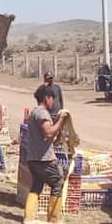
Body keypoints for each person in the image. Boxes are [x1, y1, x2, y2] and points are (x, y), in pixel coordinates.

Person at [22, 85, 70, 216]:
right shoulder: (42, 113)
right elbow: (48, 133)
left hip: (33, 158)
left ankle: (29, 217)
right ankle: (53, 219)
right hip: (44, 159)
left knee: (36, 186)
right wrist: (61, 120)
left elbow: (47, 135)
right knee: (58, 183)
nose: (53, 102)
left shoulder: (34, 112)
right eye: (52, 99)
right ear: (46, 98)